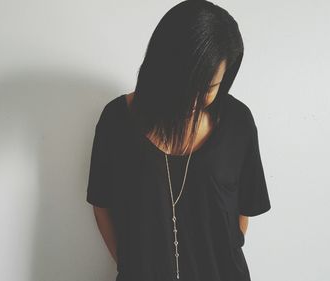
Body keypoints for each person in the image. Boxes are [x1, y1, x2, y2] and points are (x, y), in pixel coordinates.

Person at [85, 1, 271, 280]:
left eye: (209, 88)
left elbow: (242, 211)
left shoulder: (237, 122)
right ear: (163, 69)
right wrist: (130, 265)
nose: (195, 100)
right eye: (188, 84)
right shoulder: (117, 121)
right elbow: (102, 204)